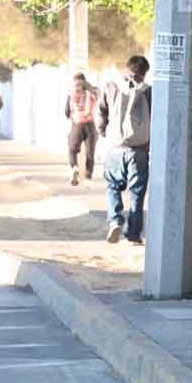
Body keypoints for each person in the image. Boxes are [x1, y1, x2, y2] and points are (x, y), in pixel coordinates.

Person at [98, 56, 152, 245]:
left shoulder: (111, 87)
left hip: (115, 148)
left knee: (113, 186)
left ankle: (115, 220)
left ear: (126, 68)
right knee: (137, 194)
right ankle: (134, 235)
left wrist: (104, 131)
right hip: (139, 151)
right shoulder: (149, 92)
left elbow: (101, 113)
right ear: (145, 72)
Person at [65, 73, 99, 186]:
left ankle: (74, 167)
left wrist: (73, 115)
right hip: (90, 125)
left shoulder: (72, 93)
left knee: (72, 149)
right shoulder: (92, 92)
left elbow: (66, 112)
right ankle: (88, 178)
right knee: (90, 153)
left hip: (77, 124)